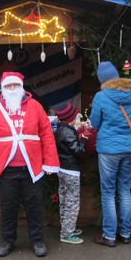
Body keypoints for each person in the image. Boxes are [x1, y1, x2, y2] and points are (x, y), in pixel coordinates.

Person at [0, 71, 60, 258]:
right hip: (7, 170)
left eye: (15, 85)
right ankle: (7, 240)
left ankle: (37, 240)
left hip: (32, 169)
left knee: (35, 206)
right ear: (3, 88)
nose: (12, 89)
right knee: (8, 207)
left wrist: (50, 162)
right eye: (8, 86)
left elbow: (47, 134)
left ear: (22, 87)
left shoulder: (35, 107)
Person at [89, 61, 131, 247]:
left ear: (102, 80)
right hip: (129, 149)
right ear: (117, 76)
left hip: (108, 150)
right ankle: (125, 233)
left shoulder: (100, 96)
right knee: (124, 189)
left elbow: (95, 123)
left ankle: (109, 236)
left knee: (108, 192)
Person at [54, 102, 89, 245]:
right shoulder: (67, 132)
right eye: (76, 115)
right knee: (72, 202)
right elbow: (78, 151)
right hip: (70, 171)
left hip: (62, 169)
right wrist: (85, 139)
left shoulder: (61, 129)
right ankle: (67, 233)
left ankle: (67, 227)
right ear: (71, 118)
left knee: (64, 200)